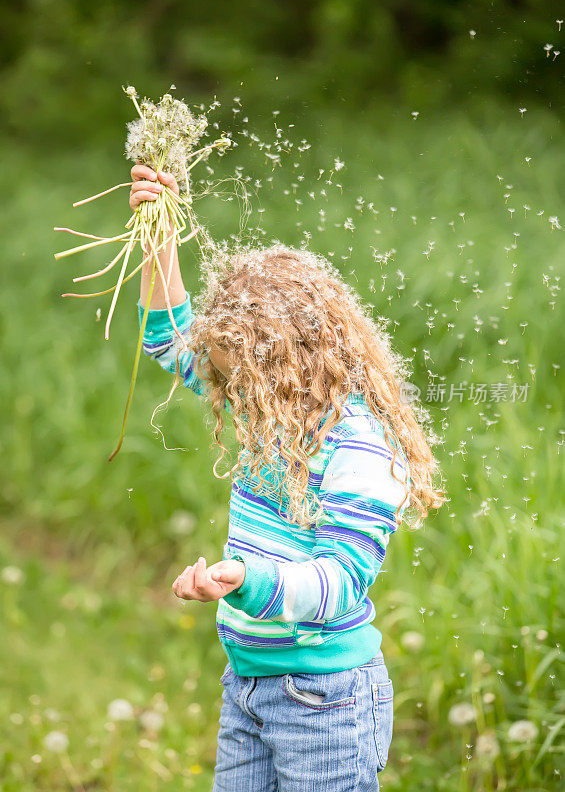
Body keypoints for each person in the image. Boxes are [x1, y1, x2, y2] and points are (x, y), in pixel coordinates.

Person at [129, 163, 444, 791]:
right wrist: (158, 237)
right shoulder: (266, 407)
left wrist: (248, 580)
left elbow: (340, 581)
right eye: (227, 379)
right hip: (247, 682)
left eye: (243, 379)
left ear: (297, 361)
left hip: (325, 700)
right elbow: (167, 339)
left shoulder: (358, 448)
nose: (233, 393)